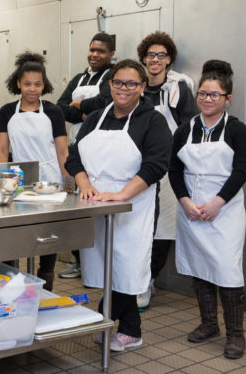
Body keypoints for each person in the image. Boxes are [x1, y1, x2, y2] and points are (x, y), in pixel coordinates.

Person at [65, 59, 172, 351]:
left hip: (133, 206)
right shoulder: (95, 118)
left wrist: (122, 194)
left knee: (127, 265)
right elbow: (73, 156)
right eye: (118, 82)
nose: (124, 89)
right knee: (105, 265)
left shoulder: (153, 120)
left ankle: (111, 319)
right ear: (110, 85)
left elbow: (156, 165)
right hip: (97, 203)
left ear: (142, 86)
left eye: (132, 83)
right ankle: (128, 328)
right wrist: (84, 183)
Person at [169, 60, 246, 359]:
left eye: (215, 95)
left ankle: (235, 335)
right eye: (203, 93)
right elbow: (174, 170)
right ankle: (208, 324)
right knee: (199, 265)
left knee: (227, 270)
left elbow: (241, 171)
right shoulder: (184, 130)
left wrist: (218, 202)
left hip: (225, 211)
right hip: (191, 208)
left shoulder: (237, 130)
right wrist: (185, 201)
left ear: (227, 98)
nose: (207, 99)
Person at [135, 31, 198, 311]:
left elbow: (188, 126)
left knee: (163, 226)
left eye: (161, 55)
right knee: (140, 224)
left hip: (169, 165)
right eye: (151, 54)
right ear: (144, 58)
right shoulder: (135, 86)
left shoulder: (178, 89)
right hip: (138, 165)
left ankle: (149, 279)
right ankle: (134, 277)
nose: (155, 59)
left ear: (169, 59)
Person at [0, 51, 69, 291]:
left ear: (44, 85)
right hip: (17, 179)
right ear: (18, 83)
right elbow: (3, 149)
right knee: (14, 234)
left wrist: (68, 182)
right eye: (27, 84)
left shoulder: (54, 111)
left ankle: (45, 284)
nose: (32, 89)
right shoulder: (7, 111)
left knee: (47, 236)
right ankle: (10, 285)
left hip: (50, 181)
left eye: (38, 84)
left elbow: (61, 151)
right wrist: (0, 181)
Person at [56, 32, 115, 280]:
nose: (94, 54)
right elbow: (60, 105)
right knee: (75, 206)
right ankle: (79, 262)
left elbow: (105, 102)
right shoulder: (80, 77)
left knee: (94, 203)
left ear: (111, 54)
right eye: (92, 49)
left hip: (100, 149)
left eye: (100, 51)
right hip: (75, 146)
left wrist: (79, 105)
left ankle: (101, 263)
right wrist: (83, 113)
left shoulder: (112, 76)